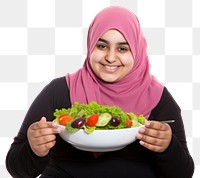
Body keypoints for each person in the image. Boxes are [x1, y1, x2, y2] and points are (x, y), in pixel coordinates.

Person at [6, 6, 194, 178]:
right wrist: (33, 149)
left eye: (122, 48)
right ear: (90, 46)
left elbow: (183, 173)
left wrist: (168, 148)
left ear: (137, 50)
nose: (110, 58)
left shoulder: (158, 98)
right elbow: (16, 168)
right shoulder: (60, 90)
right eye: (102, 46)